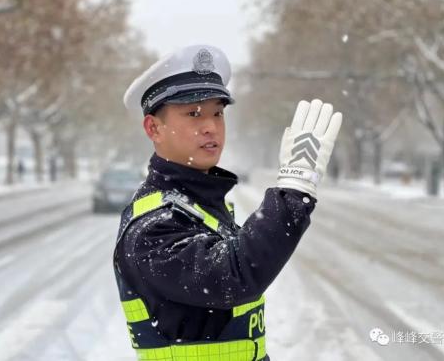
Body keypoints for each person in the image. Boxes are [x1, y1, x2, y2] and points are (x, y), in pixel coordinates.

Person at [113, 44, 342, 360]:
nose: (211, 126)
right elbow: (236, 275)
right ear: (154, 128)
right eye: (193, 113)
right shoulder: (152, 228)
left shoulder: (199, 209)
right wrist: (295, 185)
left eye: (217, 112)